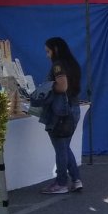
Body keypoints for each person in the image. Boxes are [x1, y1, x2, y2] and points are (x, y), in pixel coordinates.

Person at [40, 37, 82, 194]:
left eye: (48, 51)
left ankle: (61, 183)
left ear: (55, 49)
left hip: (61, 111)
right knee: (64, 146)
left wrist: (46, 88)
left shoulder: (58, 65)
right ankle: (76, 180)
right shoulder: (73, 64)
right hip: (74, 107)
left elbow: (62, 86)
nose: (47, 55)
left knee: (60, 148)